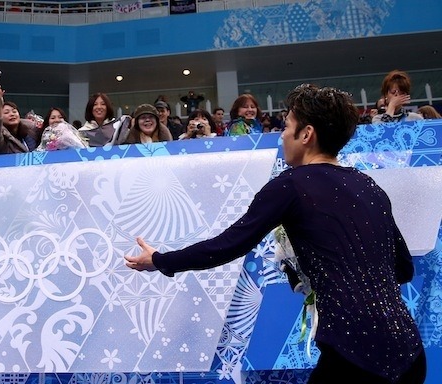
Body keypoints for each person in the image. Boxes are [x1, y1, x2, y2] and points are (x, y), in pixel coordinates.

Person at [125, 84, 426, 384]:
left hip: (354, 355)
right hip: (410, 352)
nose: (282, 134)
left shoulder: (291, 185)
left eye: (288, 126)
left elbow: (229, 244)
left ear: (306, 135)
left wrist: (161, 259)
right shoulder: (369, 187)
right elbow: (403, 267)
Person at [0, 84, 37, 155]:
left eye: (14, 111)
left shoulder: (31, 131)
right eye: (6, 112)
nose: (12, 114)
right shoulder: (0, 139)